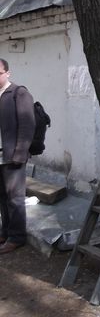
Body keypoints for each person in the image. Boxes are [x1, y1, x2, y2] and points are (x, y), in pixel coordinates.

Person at [0, 59, 35, 254]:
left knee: (15, 198)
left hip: (13, 156)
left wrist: (20, 153)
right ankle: (5, 232)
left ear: (7, 73)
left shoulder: (18, 93)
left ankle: (17, 237)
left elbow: (27, 125)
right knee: (2, 197)